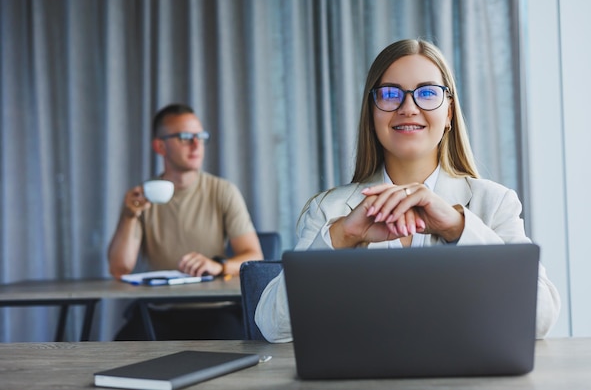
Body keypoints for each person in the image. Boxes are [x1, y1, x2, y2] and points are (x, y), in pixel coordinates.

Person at [254, 39, 561, 343]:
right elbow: (273, 326)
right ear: (372, 114)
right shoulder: (329, 210)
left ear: (449, 113)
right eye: (390, 94)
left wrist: (458, 228)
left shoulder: (494, 204)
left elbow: (540, 319)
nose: (408, 108)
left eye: (427, 93)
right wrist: (344, 236)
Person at [108, 103, 264, 340]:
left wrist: (219, 266)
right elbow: (119, 269)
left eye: (200, 136)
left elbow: (254, 256)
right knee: (119, 350)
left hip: (215, 310)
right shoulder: (141, 198)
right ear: (160, 146)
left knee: (234, 349)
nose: (196, 144)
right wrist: (130, 216)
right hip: (159, 311)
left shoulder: (222, 191)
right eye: (184, 137)